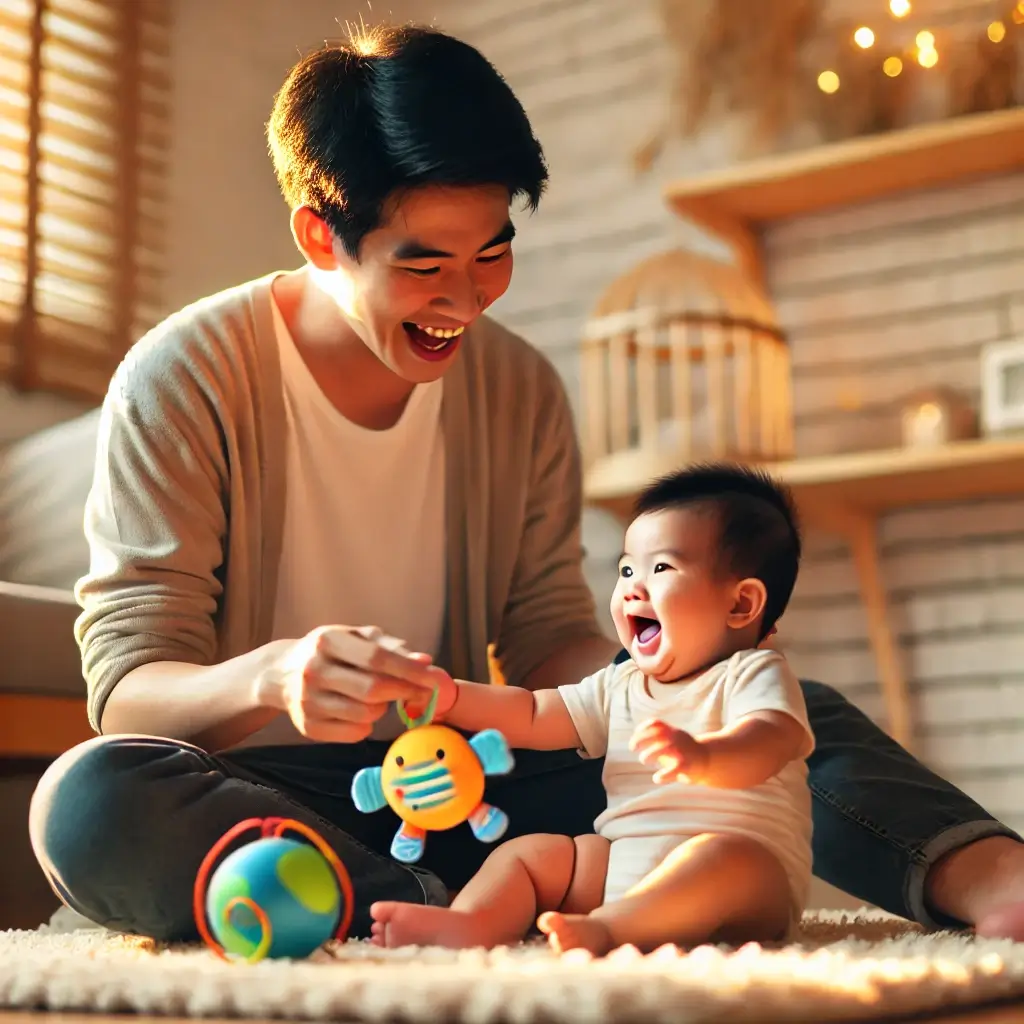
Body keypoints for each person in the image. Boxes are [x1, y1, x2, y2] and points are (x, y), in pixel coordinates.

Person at [27, 23, 1024, 945]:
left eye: (492, 252)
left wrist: (670, 684)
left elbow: (547, 633)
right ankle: (419, 915)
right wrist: (271, 677)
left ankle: (988, 879)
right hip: (280, 797)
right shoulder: (186, 375)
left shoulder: (517, 387)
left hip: (480, 792)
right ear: (321, 235)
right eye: (426, 267)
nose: (465, 300)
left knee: (772, 697)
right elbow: (128, 693)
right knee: (89, 796)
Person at [370, 465, 815, 955]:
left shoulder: (751, 673)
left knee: (721, 857)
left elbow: (771, 738)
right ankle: (470, 924)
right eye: (626, 570)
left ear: (741, 604)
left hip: (745, 886)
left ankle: (609, 931)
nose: (631, 588)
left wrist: (705, 757)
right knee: (530, 854)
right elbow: (533, 714)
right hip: (623, 868)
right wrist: (451, 697)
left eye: (660, 569)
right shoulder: (620, 684)